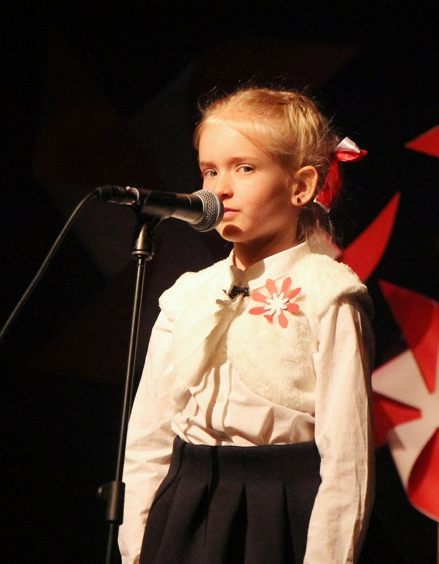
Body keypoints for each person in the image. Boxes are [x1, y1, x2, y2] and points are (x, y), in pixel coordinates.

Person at [118, 86, 375, 564]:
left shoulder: (328, 294)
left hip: (279, 509)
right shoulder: (188, 294)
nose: (219, 188)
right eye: (210, 170)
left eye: (245, 168)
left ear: (301, 186)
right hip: (187, 504)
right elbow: (149, 435)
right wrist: (137, 546)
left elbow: (348, 461)